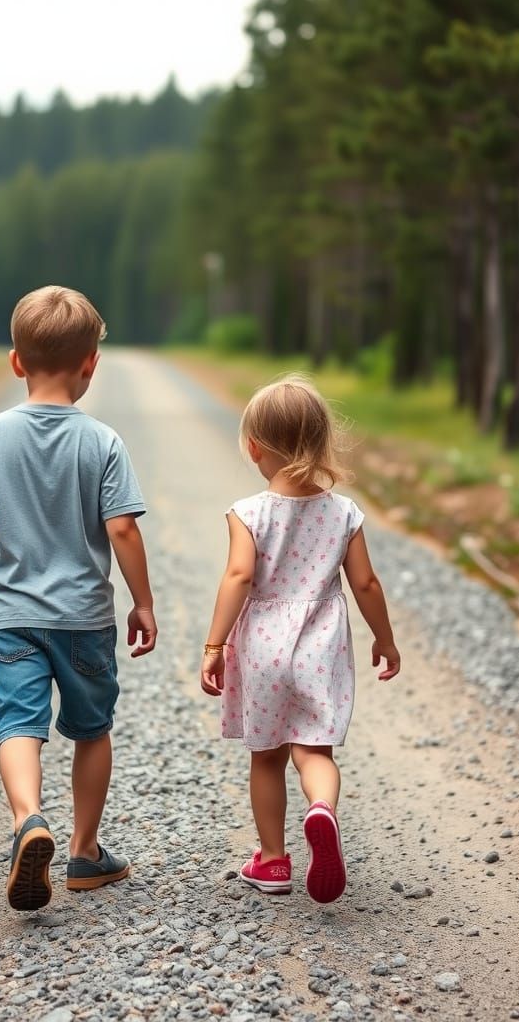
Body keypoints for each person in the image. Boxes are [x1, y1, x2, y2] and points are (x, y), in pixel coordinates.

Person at [0, 285, 157, 912]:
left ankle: (29, 820)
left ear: (16, 362)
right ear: (91, 365)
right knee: (91, 729)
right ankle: (83, 850)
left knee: (19, 725)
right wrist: (143, 602)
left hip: (13, 617)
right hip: (84, 619)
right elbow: (123, 529)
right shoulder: (102, 442)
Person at [200, 374, 400, 904]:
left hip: (263, 645)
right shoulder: (344, 513)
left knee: (265, 755)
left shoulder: (248, 512)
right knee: (314, 750)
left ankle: (270, 861)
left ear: (254, 447)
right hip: (320, 644)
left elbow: (239, 578)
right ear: (319, 443)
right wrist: (385, 639)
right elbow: (365, 583)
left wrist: (214, 644)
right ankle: (322, 811)